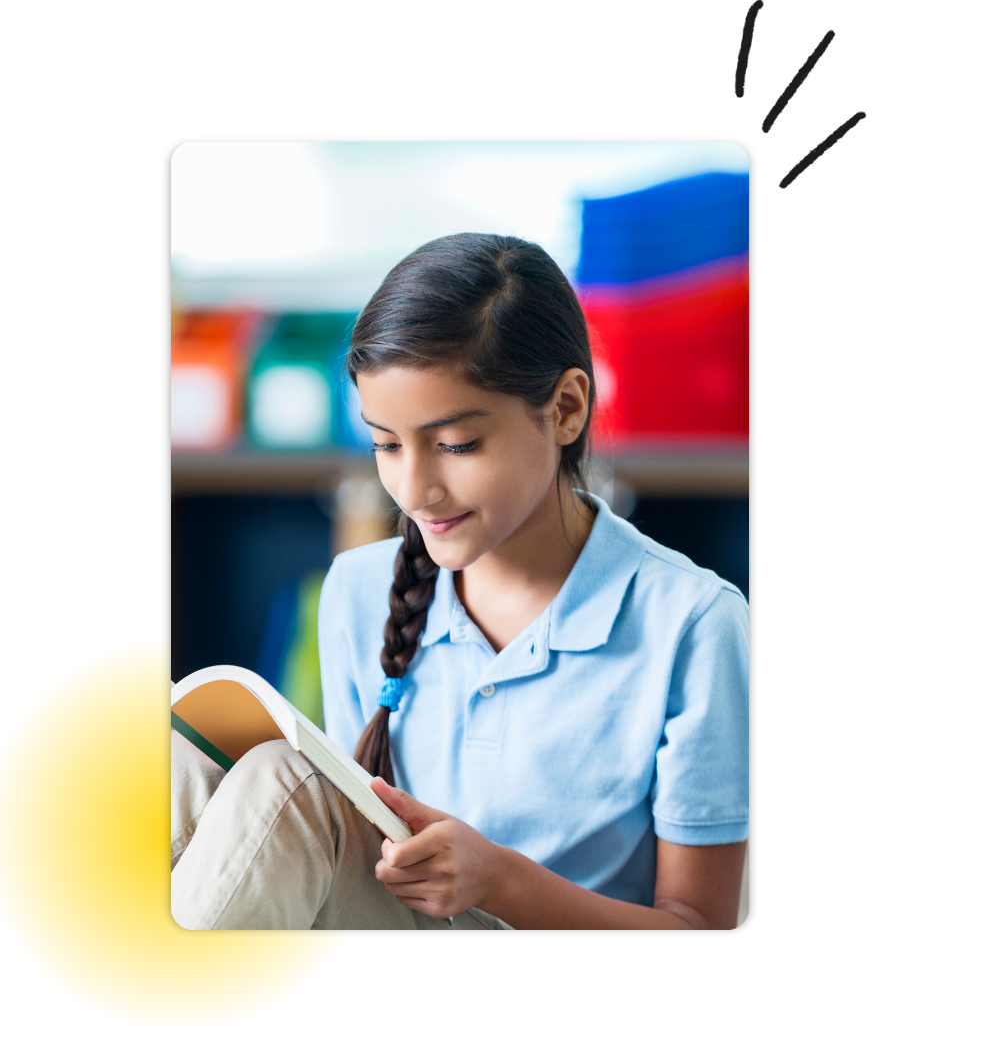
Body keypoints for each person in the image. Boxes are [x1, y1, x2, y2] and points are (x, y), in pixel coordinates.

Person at [171, 233, 748, 931]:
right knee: (176, 769)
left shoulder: (694, 623)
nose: (414, 489)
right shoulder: (358, 590)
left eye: (456, 446)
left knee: (283, 788)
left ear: (566, 409)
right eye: (386, 444)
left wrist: (499, 879)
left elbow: (698, 923)